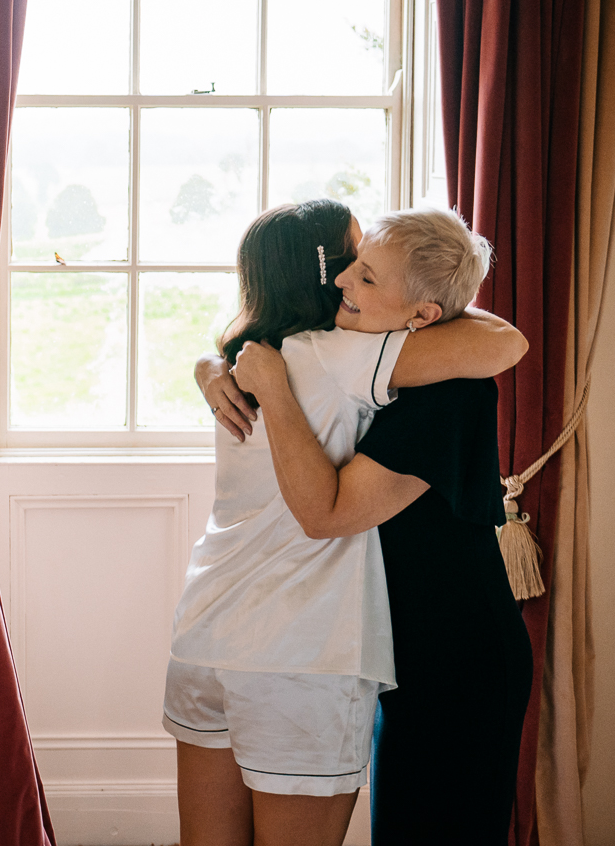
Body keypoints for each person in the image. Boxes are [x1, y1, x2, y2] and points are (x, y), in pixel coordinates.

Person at [169, 201, 526, 846]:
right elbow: (505, 340)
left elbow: (501, 343)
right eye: (348, 263)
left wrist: (221, 367)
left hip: (212, 633)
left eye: (365, 272)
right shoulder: (337, 359)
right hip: (301, 648)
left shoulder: (248, 358)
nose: (345, 281)